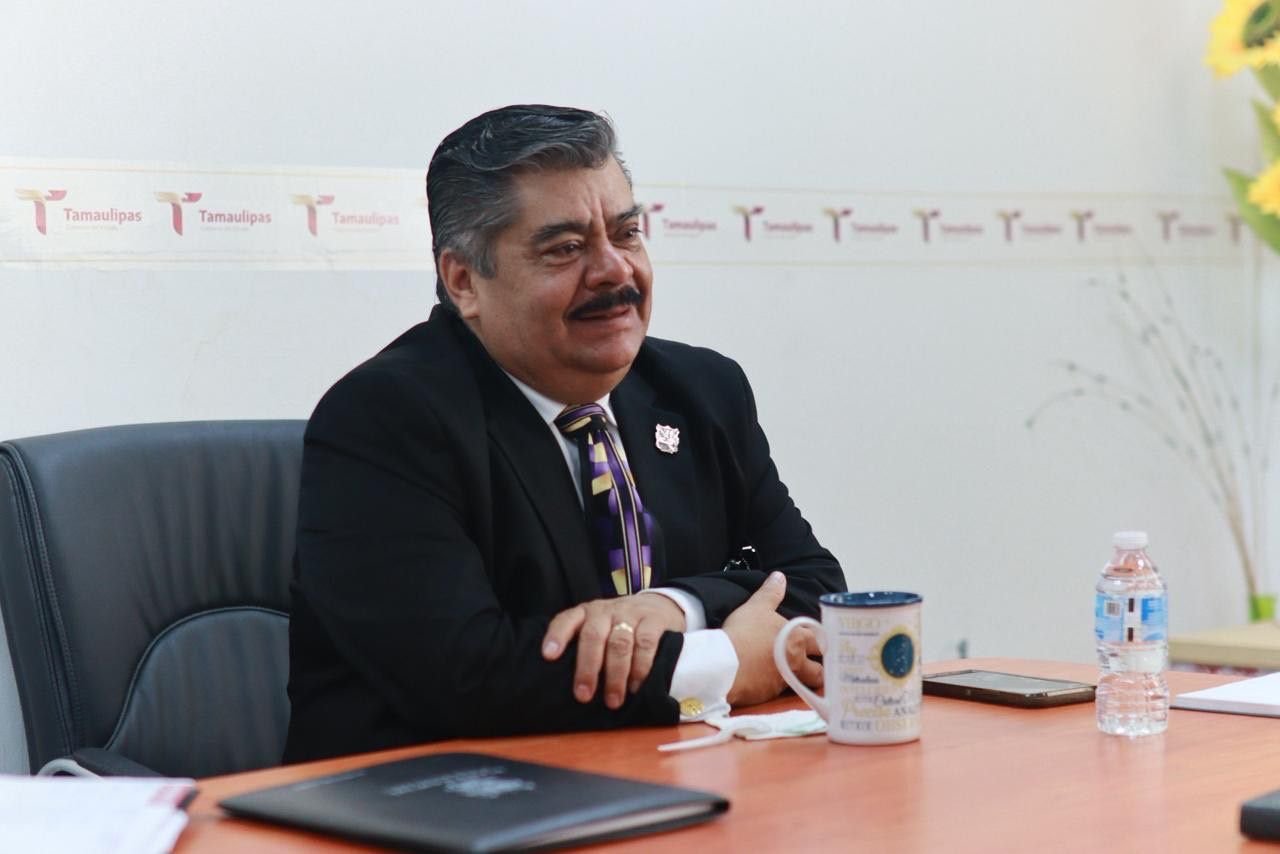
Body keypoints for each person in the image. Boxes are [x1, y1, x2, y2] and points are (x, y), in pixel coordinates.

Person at [284, 104, 845, 763]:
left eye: (626, 234)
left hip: (662, 776)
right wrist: (720, 659)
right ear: (464, 281)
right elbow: (467, 675)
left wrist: (675, 608)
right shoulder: (385, 418)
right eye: (566, 249)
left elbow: (815, 589)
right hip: (433, 798)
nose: (614, 272)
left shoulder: (702, 390)